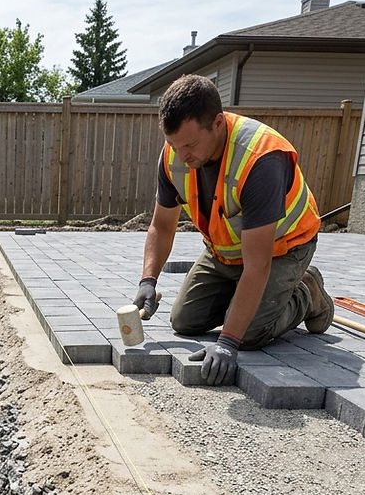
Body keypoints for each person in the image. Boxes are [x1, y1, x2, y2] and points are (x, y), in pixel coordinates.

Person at [133, 74, 334, 385]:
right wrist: (148, 280)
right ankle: (247, 300)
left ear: (217, 123)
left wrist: (228, 341)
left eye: (190, 144)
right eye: (173, 144)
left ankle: (307, 292)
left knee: (249, 335)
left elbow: (258, 264)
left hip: (283, 248)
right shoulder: (174, 155)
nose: (182, 155)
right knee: (184, 320)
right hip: (226, 252)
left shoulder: (261, 160)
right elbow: (161, 226)